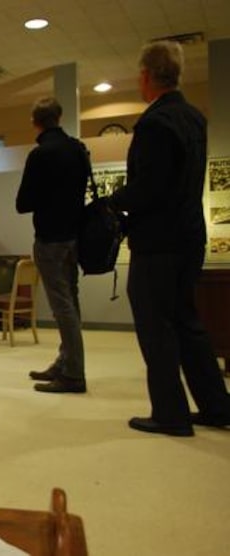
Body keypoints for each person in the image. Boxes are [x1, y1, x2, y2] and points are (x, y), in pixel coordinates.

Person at [108, 40, 230, 436]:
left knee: (155, 326)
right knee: (187, 321)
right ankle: (216, 406)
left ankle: (170, 413)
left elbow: (149, 189)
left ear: (145, 76)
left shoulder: (155, 123)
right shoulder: (194, 117)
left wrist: (113, 201)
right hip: (190, 236)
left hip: (158, 242)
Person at [15, 97, 89, 394]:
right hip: (75, 237)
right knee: (71, 300)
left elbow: (23, 203)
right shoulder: (78, 149)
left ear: (35, 122)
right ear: (59, 117)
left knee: (62, 307)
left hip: (50, 238)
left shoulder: (40, 155)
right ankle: (65, 361)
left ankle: (73, 374)